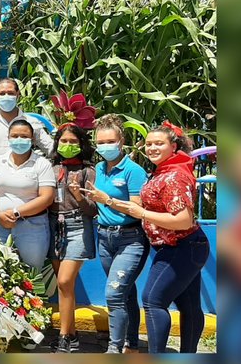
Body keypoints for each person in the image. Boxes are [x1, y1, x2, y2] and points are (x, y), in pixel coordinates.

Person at [109, 122, 209, 354]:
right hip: (187, 245)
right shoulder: (164, 170)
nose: (152, 148)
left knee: (153, 300)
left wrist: (142, 213)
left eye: (159, 143)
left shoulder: (173, 176)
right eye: (149, 144)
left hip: (182, 245)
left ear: (173, 146)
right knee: (189, 306)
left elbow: (183, 219)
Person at [80, 114, 150, 354]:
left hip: (130, 239)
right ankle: (131, 343)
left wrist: (106, 200)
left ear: (121, 142)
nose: (105, 146)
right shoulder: (98, 168)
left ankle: (114, 348)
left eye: (111, 141)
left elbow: (137, 208)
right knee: (126, 292)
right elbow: (94, 201)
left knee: (113, 293)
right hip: (105, 238)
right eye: (101, 142)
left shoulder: (134, 171)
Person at [46, 123, 97, 353]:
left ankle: (64, 337)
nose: (68, 145)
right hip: (53, 225)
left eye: (73, 142)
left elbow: (93, 210)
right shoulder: (50, 167)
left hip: (78, 225)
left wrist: (78, 195)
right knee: (65, 286)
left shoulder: (89, 170)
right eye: (64, 141)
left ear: (81, 144)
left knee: (66, 281)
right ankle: (73, 334)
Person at [0, 119, 56, 270]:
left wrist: (16, 213)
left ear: (32, 139)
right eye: (14, 136)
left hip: (32, 227)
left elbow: (46, 197)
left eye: (24, 136)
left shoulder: (42, 164)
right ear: (8, 138)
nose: (19, 140)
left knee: (32, 272)